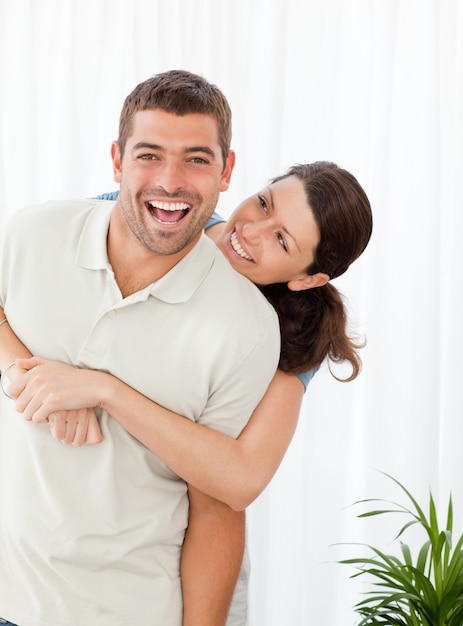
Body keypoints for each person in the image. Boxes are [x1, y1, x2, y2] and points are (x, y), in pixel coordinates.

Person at [0, 69, 282, 626]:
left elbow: (216, 510)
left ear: (227, 171)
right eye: (149, 155)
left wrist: (101, 389)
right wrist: (27, 373)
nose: (170, 181)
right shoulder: (32, 233)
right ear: (116, 160)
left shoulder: (247, 327)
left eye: (197, 159)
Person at [1, 162, 372, 512]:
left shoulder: (289, 337)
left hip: (161, 536)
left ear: (308, 279)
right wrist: (27, 377)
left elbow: (243, 479)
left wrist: (104, 391)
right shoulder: (161, 216)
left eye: (281, 240)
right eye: (263, 204)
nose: (250, 231)